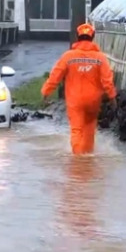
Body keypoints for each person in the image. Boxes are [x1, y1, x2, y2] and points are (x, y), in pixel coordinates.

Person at [41, 23, 117, 155]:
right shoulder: (100, 58)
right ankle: (87, 157)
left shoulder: (68, 56)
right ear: (92, 37)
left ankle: (77, 160)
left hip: (75, 101)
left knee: (76, 130)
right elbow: (107, 80)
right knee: (89, 129)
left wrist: (46, 92)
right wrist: (112, 97)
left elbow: (55, 76)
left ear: (77, 37)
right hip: (93, 101)